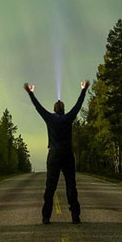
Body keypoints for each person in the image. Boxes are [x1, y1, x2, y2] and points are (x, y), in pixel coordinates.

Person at [23, 79, 90, 225]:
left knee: (50, 186)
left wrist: (30, 93)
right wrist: (83, 90)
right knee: (71, 185)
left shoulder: (49, 118)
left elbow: (38, 107)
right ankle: (75, 216)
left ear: (54, 110)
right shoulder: (69, 117)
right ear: (64, 109)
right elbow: (78, 105)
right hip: (67, 154)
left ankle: (46, 217)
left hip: (53, 154)